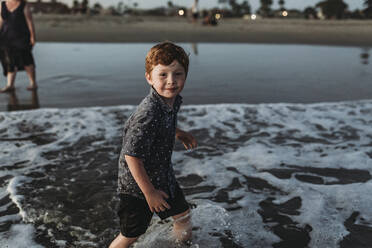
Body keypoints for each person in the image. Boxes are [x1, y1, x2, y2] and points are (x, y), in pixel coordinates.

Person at [109, 42, 197, 248]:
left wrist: (178, 132)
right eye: (163, 75)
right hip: (138, 187)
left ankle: (179, 245)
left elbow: (162, 125)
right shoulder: (148, 113)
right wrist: (150, 193)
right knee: (131, 233)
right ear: (149, 77)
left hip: (162, 176)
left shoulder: (170, 102)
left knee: (182, 216)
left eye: (178, 74)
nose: (171, 81)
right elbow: (132, 156)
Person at [0, 0, 37, 93]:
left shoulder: (23, 5)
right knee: (9, 61)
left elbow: (29, 21)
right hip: (5, 37)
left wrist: (32, 37)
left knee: (26, 59)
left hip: (21, 37)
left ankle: (33, 83)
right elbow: (0, 20)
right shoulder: (3, 4)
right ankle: (10, 85)